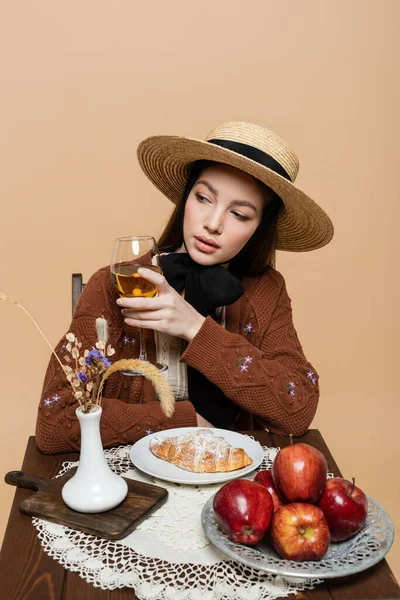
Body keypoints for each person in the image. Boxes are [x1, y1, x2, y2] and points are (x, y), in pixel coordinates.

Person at [36, 121, 333, 454]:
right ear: (185, 197)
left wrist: (195, 327)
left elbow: (297, 409)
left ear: (259, 228)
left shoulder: (266, 292)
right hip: (132, 490)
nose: (213, 223)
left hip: (232, 483)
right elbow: (55, 423)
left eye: (239, 214)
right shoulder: (115, 283)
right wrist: (184, 420)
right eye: (204, 198)